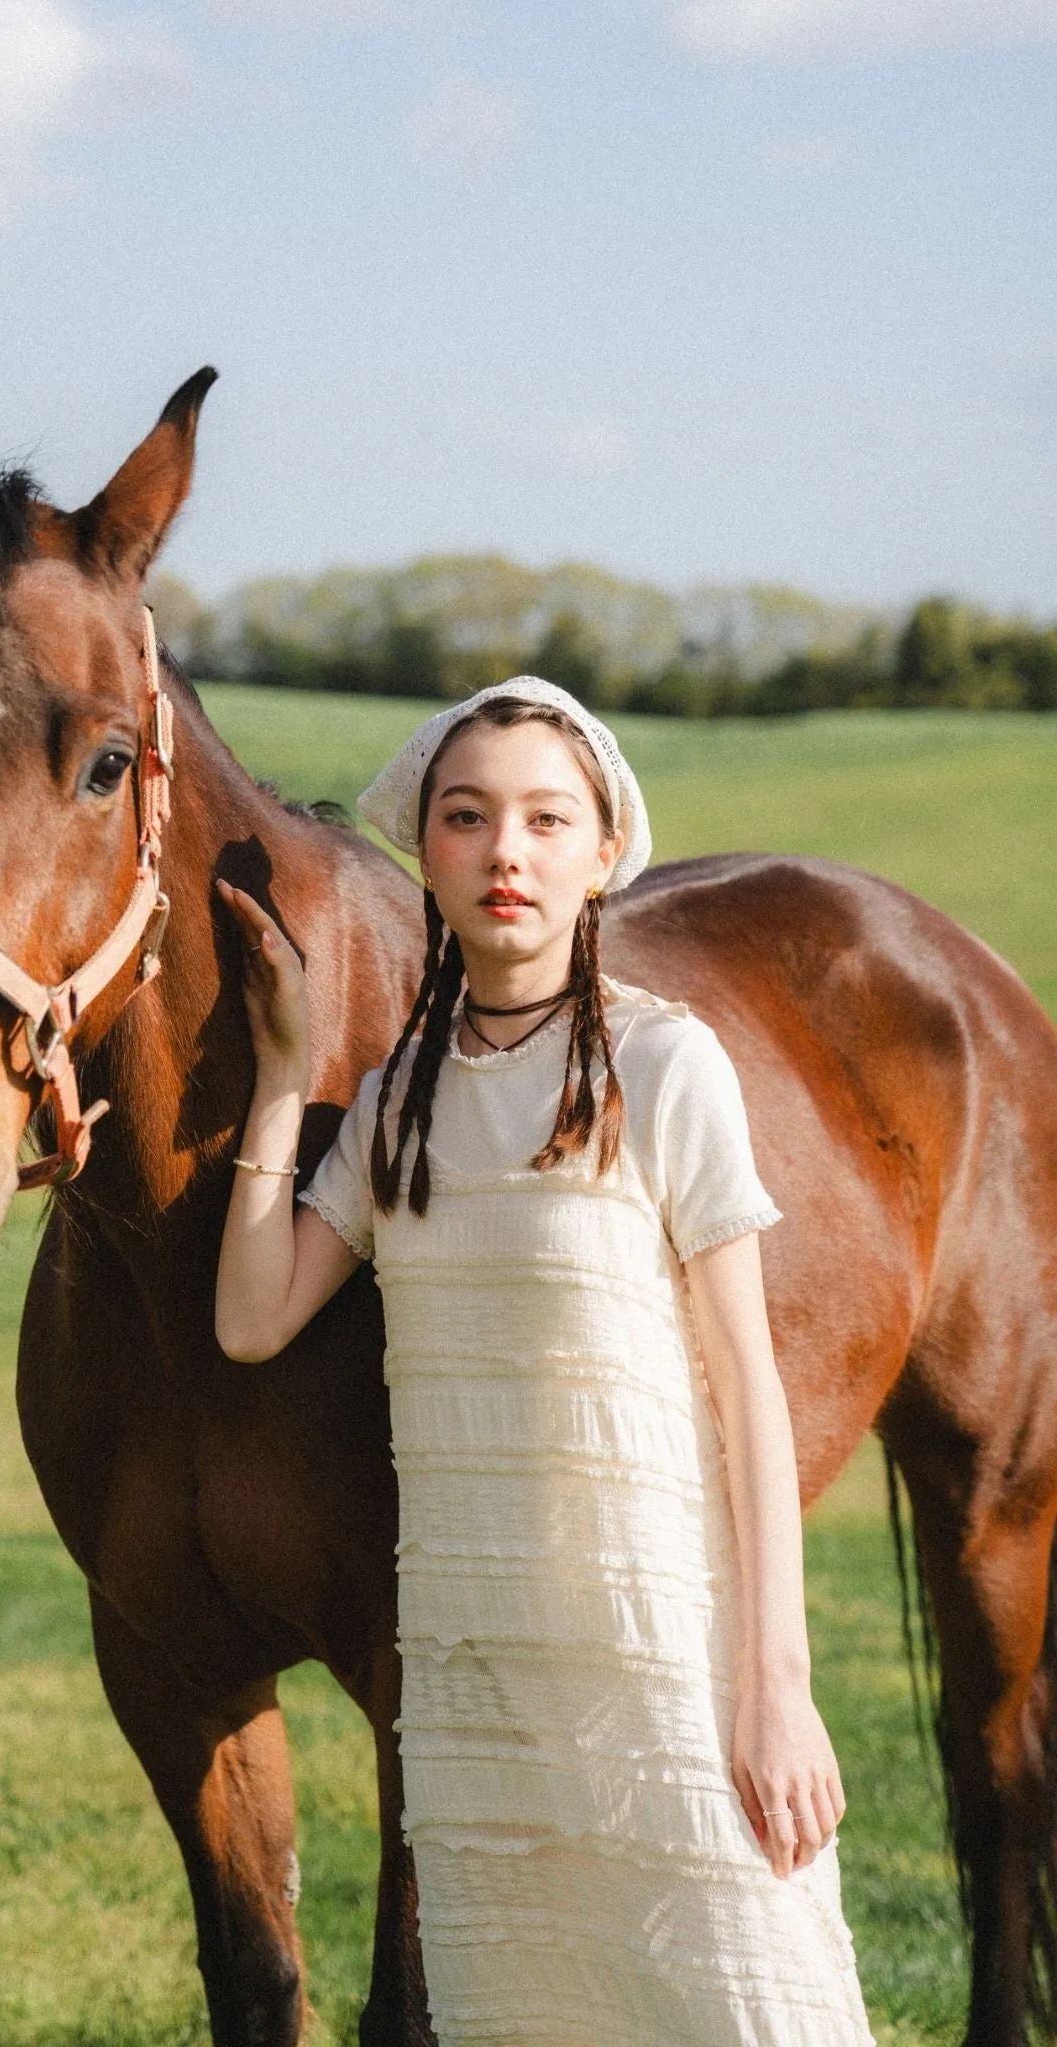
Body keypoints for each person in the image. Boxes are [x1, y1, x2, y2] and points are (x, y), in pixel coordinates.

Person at [213, 678, 874, 2045]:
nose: (505, 850)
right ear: (430, 851)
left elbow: (751, 1391)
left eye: (541, 819)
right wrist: (285, 1083)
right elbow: (252, 1318)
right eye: (467, 818)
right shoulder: (398, 1102)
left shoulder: (666, 1063)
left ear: (595, 852)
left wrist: (777, 1690)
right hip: (481, 1693)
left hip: (666, 1660)